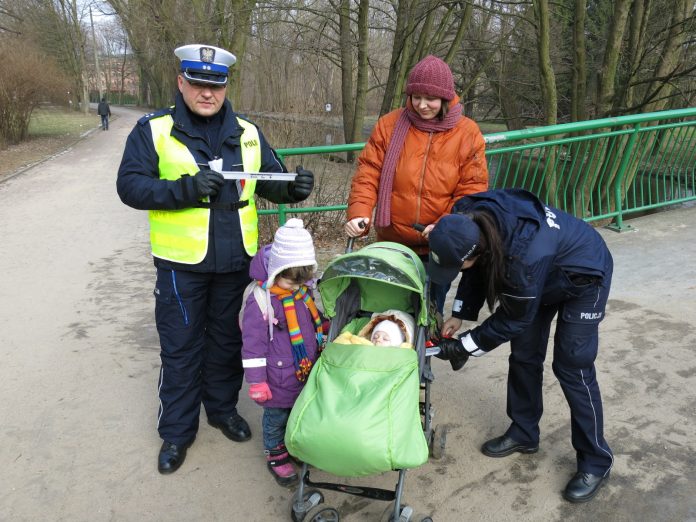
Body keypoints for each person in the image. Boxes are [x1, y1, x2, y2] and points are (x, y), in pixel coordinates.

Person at [116, 44, 315, 475]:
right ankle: (176, 432)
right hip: (179, 264)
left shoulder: (247, 131)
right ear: (182, 82)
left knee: (228, 343)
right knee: (181, 349)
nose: (208, 93)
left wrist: (293, 189)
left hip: (234, 263)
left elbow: (272, 181)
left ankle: (222, 410)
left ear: (225, 87)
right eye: (199, 84)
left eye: (216, 85)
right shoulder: (153, 130)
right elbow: (130, 187)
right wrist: (186, 188)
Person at [428, 188, 614, 503]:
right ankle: (524, 432)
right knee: (524, 353)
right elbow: (478, 262)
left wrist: (463, 348)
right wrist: (460, 313)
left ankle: (596, 461)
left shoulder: (522, 258)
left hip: (584, 274)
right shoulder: (468, 215)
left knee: (572, 364)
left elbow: (512, 319)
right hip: (544, 274)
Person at [344, 55, 488, 313]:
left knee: (426, 317)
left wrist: (444, 225)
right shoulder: (389, 124)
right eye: (415, 97)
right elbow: (368, 171)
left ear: (445, 98)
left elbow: (472, 192)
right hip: (392, 244)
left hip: (437, 248)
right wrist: (360, 213)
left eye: (430, 98)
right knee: (381, 315)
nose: (421, 105)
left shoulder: (468, 133)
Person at [240, 218, 322, 487]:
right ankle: (276, 455)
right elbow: (252, 345)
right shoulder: (261, 301)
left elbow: (314, 319)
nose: (297, 287)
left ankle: (292, 446)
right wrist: (257, 381)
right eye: (290, 282)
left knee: (298, 412)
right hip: (276, 377)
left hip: (302, 369)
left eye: (302, 281)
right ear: (277, 270)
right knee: (276, 418)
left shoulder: (301, 291)